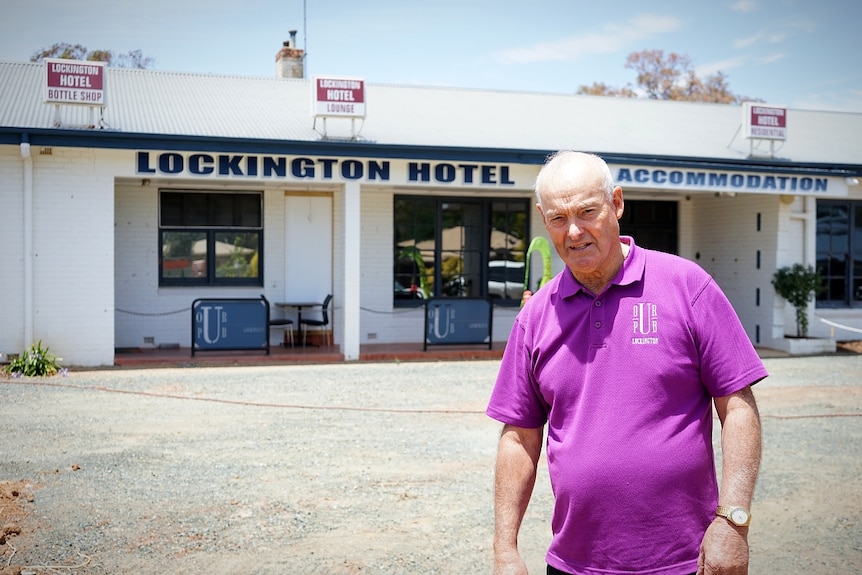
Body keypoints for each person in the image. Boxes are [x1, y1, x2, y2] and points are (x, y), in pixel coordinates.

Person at [486, 151, 766, 575]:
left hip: (686, 562)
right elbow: (519, 438)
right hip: (574, 565)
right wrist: (505, 550)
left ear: (616, 203)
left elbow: (738, 406)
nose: (574, 231)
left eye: (587, 211)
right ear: (544, 220)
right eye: (559, 219)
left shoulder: (686, 286)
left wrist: (733, 520)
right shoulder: (536, 317)